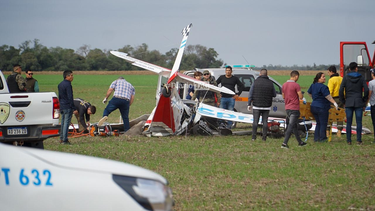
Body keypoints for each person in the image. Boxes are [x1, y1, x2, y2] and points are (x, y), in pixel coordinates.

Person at [339, 62, 369, 145]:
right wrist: (364, 100)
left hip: (348, 101)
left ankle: (349, 140)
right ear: (356, 68)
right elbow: (366, 90)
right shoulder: (361, 77)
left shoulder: (345, 78)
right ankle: (359, 140)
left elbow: (341, 90)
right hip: (359, 101)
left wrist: (343, 101)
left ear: (349, 69)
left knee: (349, 122)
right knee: (359, 122)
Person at [308, 72, 338, 142]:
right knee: (323, 123)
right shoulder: (323, 87)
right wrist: (334, 103)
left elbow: (309, 93)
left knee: (318, 123)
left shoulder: (313, 85)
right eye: (323, 77)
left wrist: (314, 98)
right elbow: (328, 96)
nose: (325, 78)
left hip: (313, 106)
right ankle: (322, 138)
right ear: (319, 79)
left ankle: (316, 138)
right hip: (322, 107)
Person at [248, 69, 276, 141]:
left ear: (260, 74)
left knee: (255, 121)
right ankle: (264, 137)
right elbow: (274, 94)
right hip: (267, 106)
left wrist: (249, 104)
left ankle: (254, 137)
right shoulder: (270, 83)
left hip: (256, 105)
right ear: (267, 74)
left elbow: (250, 93)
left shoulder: (255, 82)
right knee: (265, 122)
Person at [281, 70, 307, 149]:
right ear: (296, 76)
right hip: (294, 108)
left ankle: (300, 142)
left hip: (287, 108)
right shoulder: (296, 85)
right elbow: (301, 97)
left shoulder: (284, 85)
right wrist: (300, 93)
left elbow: (283, 96)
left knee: (294, 126)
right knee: (291, 125)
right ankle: (284, 143)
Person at [58, 70, 74, 145]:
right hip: (67, 106)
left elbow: (60, 96)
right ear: (67, 76)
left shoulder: (60, 84)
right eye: (71, 75)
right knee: (66, 123)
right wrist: (73, 107)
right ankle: (65, 139)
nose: (72, 77)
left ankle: (61, 138)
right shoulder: (68, 85)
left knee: (63, 122)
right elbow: (70, 96)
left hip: (62, 105)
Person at [327, 65, 343, 135]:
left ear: (331, 72)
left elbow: (329, 91)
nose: (328, 74)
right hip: (341, 98)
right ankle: (339, 130)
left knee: (330, 115)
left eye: (328, 72)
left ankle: (327, 130)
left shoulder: (331, 80)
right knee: (339, 115)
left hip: (333, 99)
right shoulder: (341, 78)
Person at [367, 69, 375, 143]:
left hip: (373, 104)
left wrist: (366, 102)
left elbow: (369, 94)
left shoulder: (371, 83)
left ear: (373, 74)